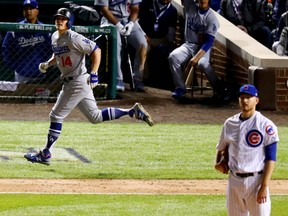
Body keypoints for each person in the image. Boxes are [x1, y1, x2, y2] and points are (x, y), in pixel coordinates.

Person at [24, 8, 154, 166]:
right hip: (73, 82)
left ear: (68, 21)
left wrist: (94, 72)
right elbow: (58, 55)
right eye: (57, 18)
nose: (59, 21)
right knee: (95, 117)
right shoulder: (55, 36)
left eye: (62, 19)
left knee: (56, 116)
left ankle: (45, 153)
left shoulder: (74, 37)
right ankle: (132, 112)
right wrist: (48, 64)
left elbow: (96, 50)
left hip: (77, 82)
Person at [215, 84, 279, 216]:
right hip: (234, 181)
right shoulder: (229, 123)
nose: (245, 101)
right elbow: (222, 147)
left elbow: (271, 158)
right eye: (242, 97)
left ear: (256, 100)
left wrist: (264, 186)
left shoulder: (265, 125)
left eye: (248, 97)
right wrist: (218, 162)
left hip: (256, 182)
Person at [168, 0, 226, 100]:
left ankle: (220, 90)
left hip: (203, 48)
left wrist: (196, 58)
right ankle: (180, 88)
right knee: (173, 57)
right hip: (189, 45)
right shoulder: (190, 5)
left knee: (202, 63)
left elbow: (208, 42)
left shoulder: (212, 18)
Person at [95, 0, 148, 92]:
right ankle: (118, 79)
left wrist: (131, 24)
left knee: (142, 43)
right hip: (109, 20)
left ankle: (137, 79)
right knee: (116, 44)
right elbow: (104, 10)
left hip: (128, 20)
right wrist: (118, 25)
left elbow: (135, 9)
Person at [2, 0, 52, 83]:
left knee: (42, 95)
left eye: (31, 8)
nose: (28, 11)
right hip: (22, 75)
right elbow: (6, 49)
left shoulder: (45, 30)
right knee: (21, 95)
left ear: (37, 11)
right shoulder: (15, 29)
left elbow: (52, 49)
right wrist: (16, 67)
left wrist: (48, 65)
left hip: (42, 75)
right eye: (26, 9)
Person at [138, 0, 178, 90]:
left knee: (167, 50)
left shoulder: (172, 10)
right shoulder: (146, 4)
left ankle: (166, 83)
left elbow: (170, 35)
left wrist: (167, 42)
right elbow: (137, 22)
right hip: (145, 36)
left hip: (161, 39)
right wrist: (143, 35)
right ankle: (142, 78)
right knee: (144, 47)